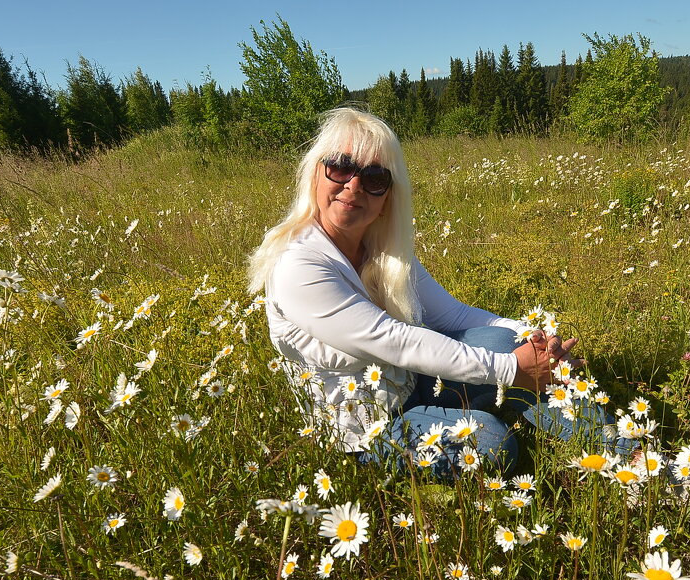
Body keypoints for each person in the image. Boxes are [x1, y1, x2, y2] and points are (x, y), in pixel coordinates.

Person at [249, 107, 624, 476]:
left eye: (374, 177)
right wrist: (514, 368)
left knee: (503, 340)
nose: (354, 186)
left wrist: (537, 343)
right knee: (493, 445)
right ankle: (512, 414)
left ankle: (626, 453)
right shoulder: (298, 265)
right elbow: (395, 341)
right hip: (368, 425)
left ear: (386, 200)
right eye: (341, 167)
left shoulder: (383, 251)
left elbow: (454, 315)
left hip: (413, 380)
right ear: (315, 173)